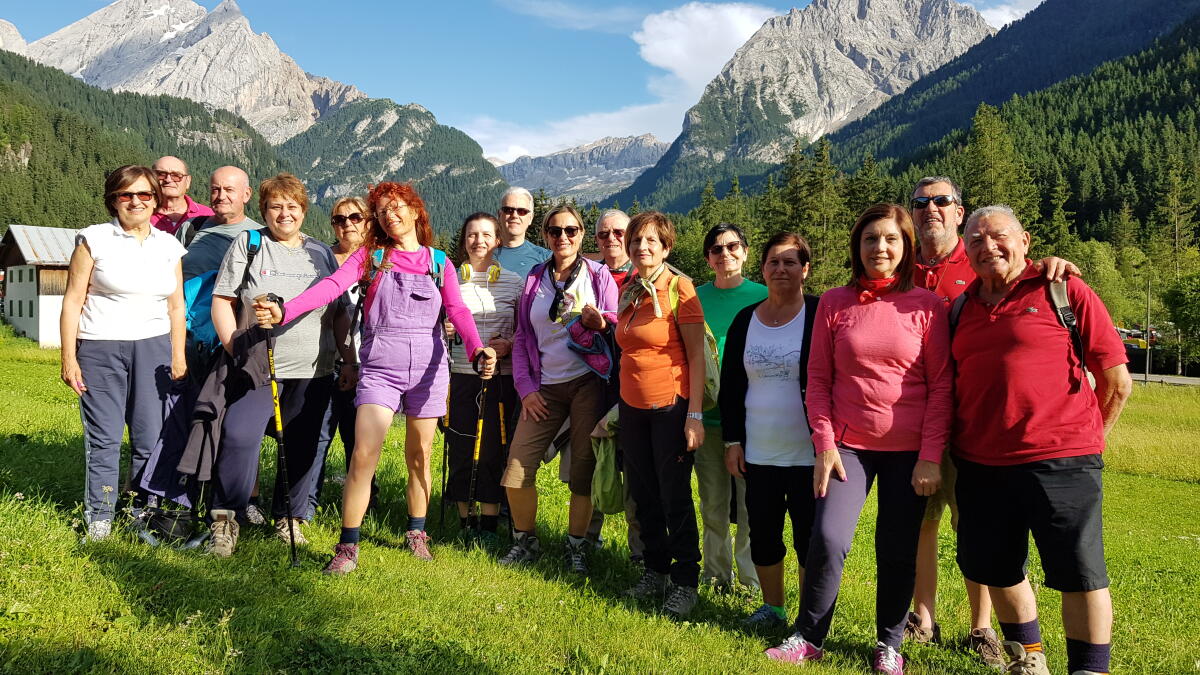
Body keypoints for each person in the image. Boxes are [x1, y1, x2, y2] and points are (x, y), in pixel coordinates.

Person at [256, 182, 496, 573]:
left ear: (415, 211)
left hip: (429, 369)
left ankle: (416, 532)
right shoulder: (371, 256)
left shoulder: (439, 262)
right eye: (382, 211)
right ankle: (348, 545)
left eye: (396, 207)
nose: (389, 215)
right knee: (364, 453)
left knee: (420, 455)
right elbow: (331, 287)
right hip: (381, 367)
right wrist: (286, 311)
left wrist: (476, 349)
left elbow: (457, 311)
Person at [766, 204, 952, 675]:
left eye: (890, 239)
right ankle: (809, 637)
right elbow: (818, 379)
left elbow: (941, 387)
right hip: (847, 447)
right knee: (827, 539)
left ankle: (890, 644)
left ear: (907, 246)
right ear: (857, 246)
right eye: (870, 239)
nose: (879, 248)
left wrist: (931, 456)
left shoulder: (927, 306)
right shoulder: (835, 302)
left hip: (909, 451)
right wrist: (825, 444)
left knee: (897, 548)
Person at [906, 176, 1080, 667]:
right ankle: (923, 618)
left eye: (942, 201)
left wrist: (1052, 263)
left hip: (972, 420)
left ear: (959, 213)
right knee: (922, 521)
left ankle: (981, 627)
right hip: (917, 416)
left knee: (973, 524)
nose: (931, 209)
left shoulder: (980, 259)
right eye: (920, 203)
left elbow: (1024, 273)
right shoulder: (902, 267)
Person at [951, 206, 1130, 675]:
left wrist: (1088, 442)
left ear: (1025, 240)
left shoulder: (1063, 289)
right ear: (965, 251)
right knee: (997, 569)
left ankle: (1088, 669)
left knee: (1080, 573)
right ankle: (1028, 660)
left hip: (1063, 462)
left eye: (998, 236)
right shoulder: (961, 307)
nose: (988, 246)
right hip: (980, 465)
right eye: (975, 240)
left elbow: (1116, 381)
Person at [203, 173, 352, 557]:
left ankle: (289, 517)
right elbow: (222, 301)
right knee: (239, 437)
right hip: (256, 366)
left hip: (314, 369)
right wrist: (234, 347)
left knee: (302, 446)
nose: (284, 214)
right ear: (264, 210)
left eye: (292, 206)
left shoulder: (320, 253)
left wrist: (348, 359)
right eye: (275, 207)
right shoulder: (250, 244)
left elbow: (338, 312)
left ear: (304, 210)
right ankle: (225, 519)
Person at [59, 165, 187, 541]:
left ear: (155, 200)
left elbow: (176, 307)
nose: (135, 201)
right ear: (113, 200)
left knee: (150, 438)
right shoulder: (94, 239)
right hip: (100, 347)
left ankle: (141, 513)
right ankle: (100, 518)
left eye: (144, 194)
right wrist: (68, 358)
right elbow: (72, 301)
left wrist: (178, 356)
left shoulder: (168, 246)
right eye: (125, 194)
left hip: (154, 348)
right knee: (105, 438)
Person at [498, 204, 618, 574]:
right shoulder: (535, 278)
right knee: (517, 469)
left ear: (581, 234)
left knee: (582, 470)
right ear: (545, 236)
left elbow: (618, 326)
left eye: (570, 230)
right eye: (554, 231)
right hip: (544, 387)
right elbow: (522, 338)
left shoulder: (598, 275)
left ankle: (577, 546)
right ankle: (525, 541)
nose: (562, 237)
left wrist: (602, 324)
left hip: (588, 385)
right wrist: (526, 389)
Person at [719, 232, 820, 631]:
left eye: (790, 262)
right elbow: (730, 387)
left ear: (805, 270)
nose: (781, 269)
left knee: (810, 539)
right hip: (758, 451)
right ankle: (773, 608)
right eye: (773, 262)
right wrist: (732, 440)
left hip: (810, 453)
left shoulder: (819, 313)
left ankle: (810, 616)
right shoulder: (746, 319)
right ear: (762, 269)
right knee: (763, 535)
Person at [615, 211, 707, 619]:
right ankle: (655, 571)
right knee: (643, 494)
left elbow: (697, 357)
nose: (642, 247)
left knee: (674, 497)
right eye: (636, 240)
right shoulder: (631, 289)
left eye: (651, 240)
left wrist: (694, 415)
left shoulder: (679, 287)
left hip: (670, 406)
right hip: (632, 408)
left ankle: (685, 581)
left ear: (666, 247)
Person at [444, 212, 523, 547]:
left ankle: (489, 525)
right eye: (472, 235)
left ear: (498, 240)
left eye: (487, 235)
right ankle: (466, 521)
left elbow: (526, 331)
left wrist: (509, 345)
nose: (479, 241)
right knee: (461, 447)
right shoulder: (449, 279)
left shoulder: (515, 282)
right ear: (464, 241)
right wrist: (443, 328)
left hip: (501, 377)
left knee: (492, 450)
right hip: (460, 375)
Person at [694, 223, 765, 591]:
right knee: (713, 503)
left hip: (752, 418)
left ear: (746, 252)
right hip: (707, 417)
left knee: (752, 506)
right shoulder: (693, 298)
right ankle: (716, 574)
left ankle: (752, 579)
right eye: (717, 249)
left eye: (733, 246)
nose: (725, 254)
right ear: (708, 258)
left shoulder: (764, 296)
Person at [325, 196, 376, 504]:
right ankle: (305, 500)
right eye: (339, 219)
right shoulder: (322, 259)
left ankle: (365, 497)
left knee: (358, 436)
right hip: (324, 360)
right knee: (317, 434)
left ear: (368, 222)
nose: (347, 224)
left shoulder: (378, 262)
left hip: (368, 363)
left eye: (355, 217)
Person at [493, 187, 550, 278]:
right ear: (499, 215)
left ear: (530, 218)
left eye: (522, 211)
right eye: (508, 210)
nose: (514, 215)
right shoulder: (482, 254)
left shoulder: (545, 258)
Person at [150, 156, 213, 236]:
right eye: (161, 174)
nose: (168, 180)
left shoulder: (208, 215)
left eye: (176, 175)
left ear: (188, 181)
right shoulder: (140, 213)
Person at [595, 209, 633, 285]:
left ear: (630, 237)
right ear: (596, 240)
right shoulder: (588, 275)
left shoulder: (643, 274)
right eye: (604, 234)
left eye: (618, 232)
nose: (611, 238)